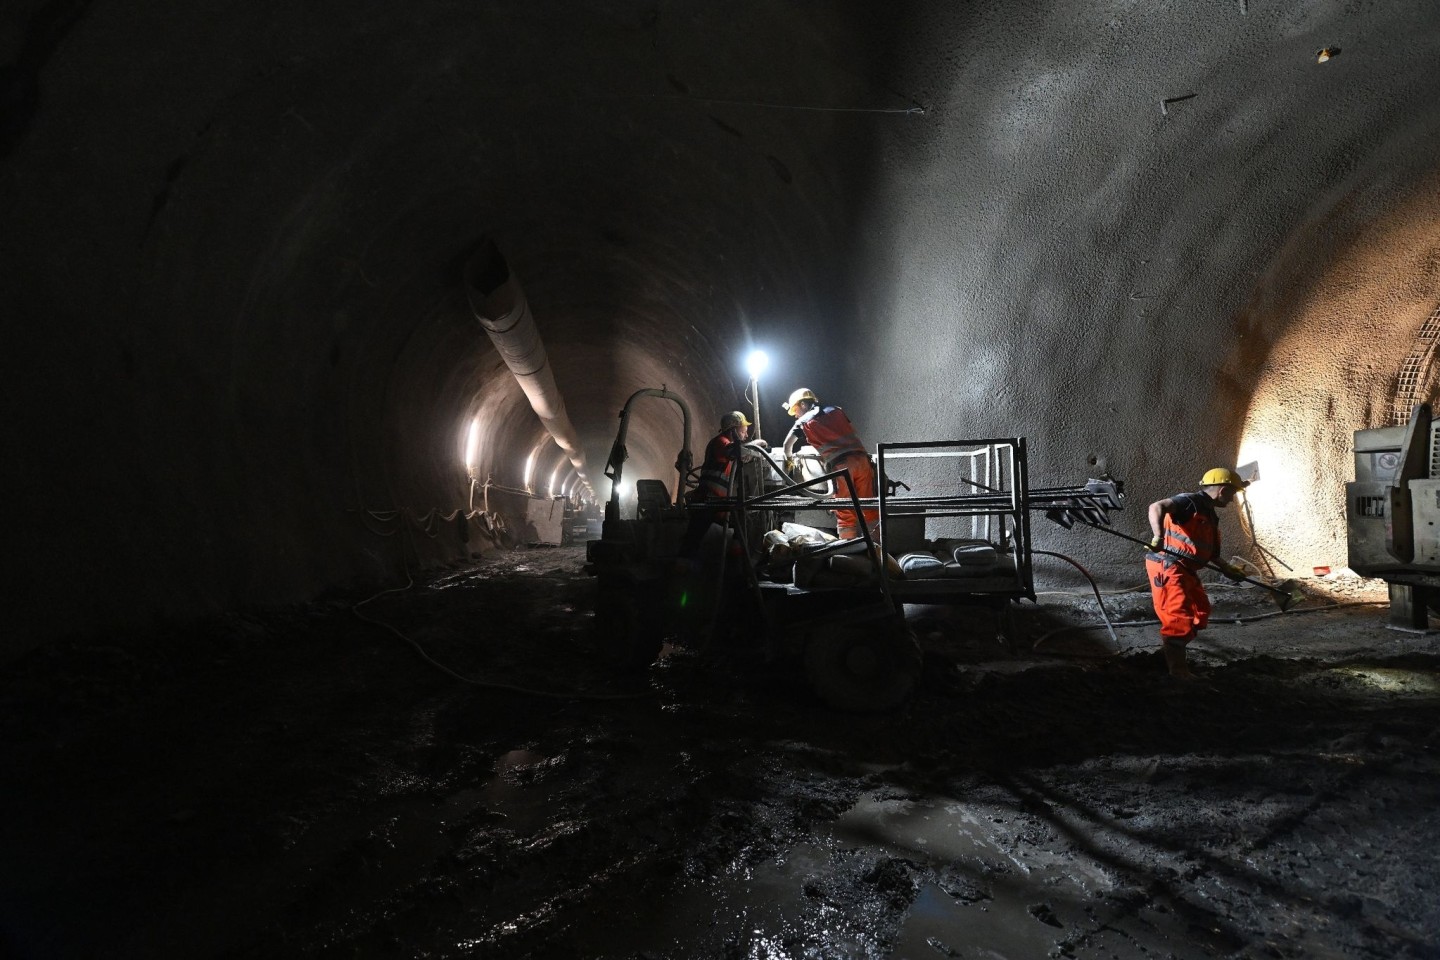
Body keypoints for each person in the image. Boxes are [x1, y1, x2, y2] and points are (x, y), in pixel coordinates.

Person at [1144, 467, 1249, 679]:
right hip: (1169, 566)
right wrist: (1158, 537)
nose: (1231, 500)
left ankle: (1172, 650)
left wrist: (1227, 568)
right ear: (1223, 490)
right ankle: (1178, 672)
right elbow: (1156, 506)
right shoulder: (1188, 502)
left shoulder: (1209, 514)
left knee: (1200, 611)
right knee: (1178, 617)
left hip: (1186, 569)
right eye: (1232, 494)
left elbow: (1208, 551)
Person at [779, 387, 879, 540]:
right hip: (863, 461)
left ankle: (848, 551)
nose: (796, 415)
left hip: (842, 467)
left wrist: (790, 461)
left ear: (804, 404)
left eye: (796, 410)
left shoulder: (804, 421)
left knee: (844, 510)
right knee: (869, 507)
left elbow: (787, 446)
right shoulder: (837, 410)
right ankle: (877, 549)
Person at [680, 410, 755, 553]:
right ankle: (682, 568)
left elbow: (739, 453)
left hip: (717, 502)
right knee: (693, 539)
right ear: (733, 429)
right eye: (744, 431)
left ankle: (733, 562)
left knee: (744, 522)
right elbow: (735, 451)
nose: (746, 435)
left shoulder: (726, 443)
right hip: (708, 500)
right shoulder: (721, 442)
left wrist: (748, 454)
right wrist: (755, 445)